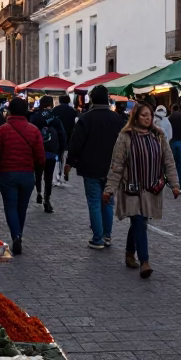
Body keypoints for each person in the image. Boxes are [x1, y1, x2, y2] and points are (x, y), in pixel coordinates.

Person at [104, 101, 180, 278]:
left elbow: (168, 161)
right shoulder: (125, 137)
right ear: (136, 116)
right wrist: (109, 189)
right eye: (144, 115)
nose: (147, 118)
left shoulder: (158, 136)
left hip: (151, 188)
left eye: (150, 115)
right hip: (131, 188)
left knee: (140, 222)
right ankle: (144, 261)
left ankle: (130, 252)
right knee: (139, 221)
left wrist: (175, 185)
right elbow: (117, 164)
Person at [64, 84, 124, 249]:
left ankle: (97, 238)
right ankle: (107, 236)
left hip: (90, 167)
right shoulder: (118, 119)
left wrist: (69, 162)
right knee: (108, 202)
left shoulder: (86, 118)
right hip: (112, 168)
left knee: (94, 202)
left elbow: (76, 143)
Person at [0, 96, 45, 254]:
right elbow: (40, 157)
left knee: (10, 207)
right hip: (27, 174)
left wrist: (2, 168)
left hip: (8, 174)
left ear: (10, 111)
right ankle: (18, 234)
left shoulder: (2, 130)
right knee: (22, 207)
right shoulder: (34, 130)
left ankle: (16, 235)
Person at [30, 96, 67, 213]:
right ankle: (47, 199)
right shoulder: (54, 117)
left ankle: (39, 192)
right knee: (48, 176)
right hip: (51, 151)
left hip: (37, 150)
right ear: (51, 104)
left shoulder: (34, 116)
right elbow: (62, 134)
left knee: (38, 173)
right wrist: (61, 150)